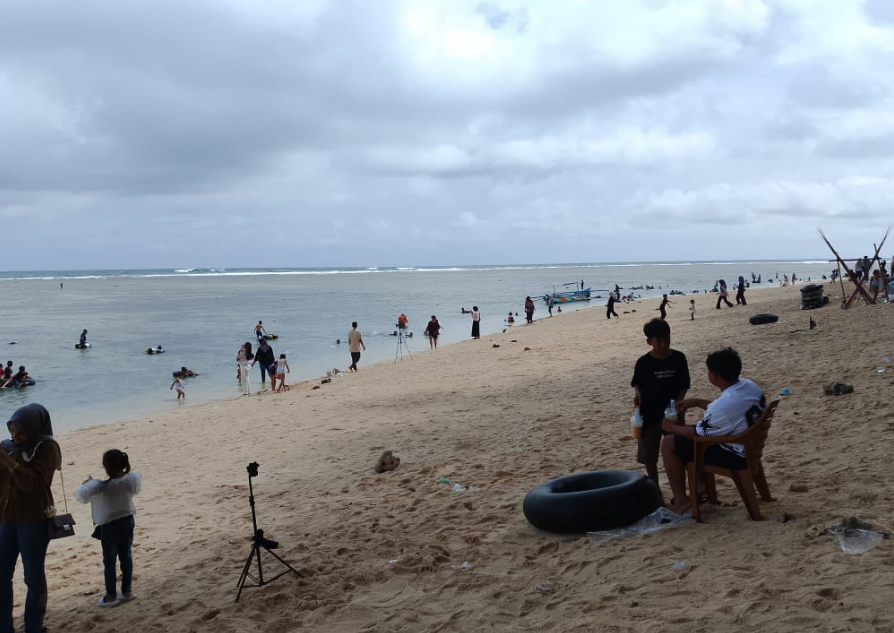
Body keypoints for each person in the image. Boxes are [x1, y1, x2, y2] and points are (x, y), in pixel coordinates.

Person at [660, 347, 766, 515]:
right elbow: (730, 409)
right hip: (752, 446)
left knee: (669, 443)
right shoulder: (749, 385)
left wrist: (668, 427)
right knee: (685, 435)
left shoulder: (721, 407)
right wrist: (696, 402)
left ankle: (680, 500)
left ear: (714, 376)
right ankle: (703, 489)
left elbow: (697, 434)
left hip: (736, 454)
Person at [0, 404, 60, 633]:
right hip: (5, 518)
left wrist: (9, 462)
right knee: (1, 575)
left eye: (21, 432)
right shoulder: (8, 447)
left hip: (33, 519)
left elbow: (33, 484)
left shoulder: (47, 448)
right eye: (12, 431)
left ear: (34, 428)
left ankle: (34, 626)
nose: (15, 437)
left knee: (33, 577)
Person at [74, 449, 141, 608]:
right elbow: (135, 490)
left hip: (110, 525)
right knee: (126, 556)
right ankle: (127, 592)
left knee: (110, 561)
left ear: (105, 467)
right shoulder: (131, 480)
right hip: (128, 520)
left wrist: (89, 483)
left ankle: (111, 596)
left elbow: (81, 496)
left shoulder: (99, 486)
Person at [631, 319, 690, 492]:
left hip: (673, 415)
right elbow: (637, 383)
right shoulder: (643, 362)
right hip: (649, 415)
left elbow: (684, 384)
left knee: (680, 452)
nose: (664, 344)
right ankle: (656, 491)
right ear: (649, 341)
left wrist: (677, 403)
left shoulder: (679, 358)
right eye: (659, 341)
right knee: (650, 457)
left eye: (667, 339)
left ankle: (680, 490)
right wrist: (637, 393)